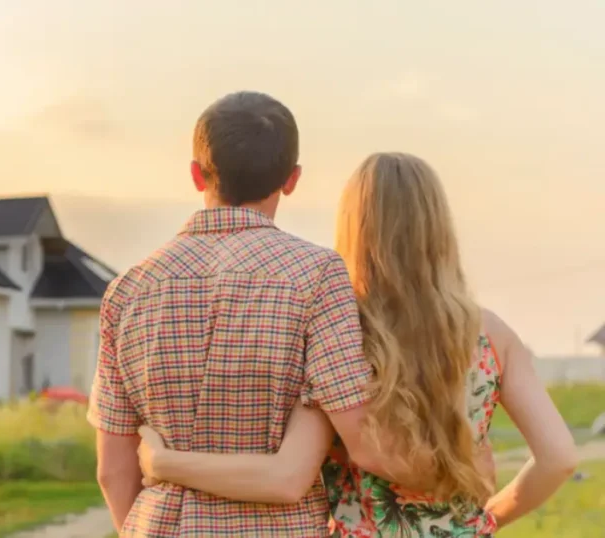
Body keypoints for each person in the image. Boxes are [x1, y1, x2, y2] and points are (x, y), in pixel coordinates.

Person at [136, 152, 579, 536]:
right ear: (439, 227)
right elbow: (558, 458)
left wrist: (163, 462)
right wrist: (489, 518)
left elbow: (288, 471)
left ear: (353, 226)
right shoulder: (492, 334)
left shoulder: (337, 329)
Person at [88, 93, 433, 537]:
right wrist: (455, 469)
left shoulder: (128, 290)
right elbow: (362, 439)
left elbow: (112, 470)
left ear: (196, 174)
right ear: (292, 179)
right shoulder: (318, 275)